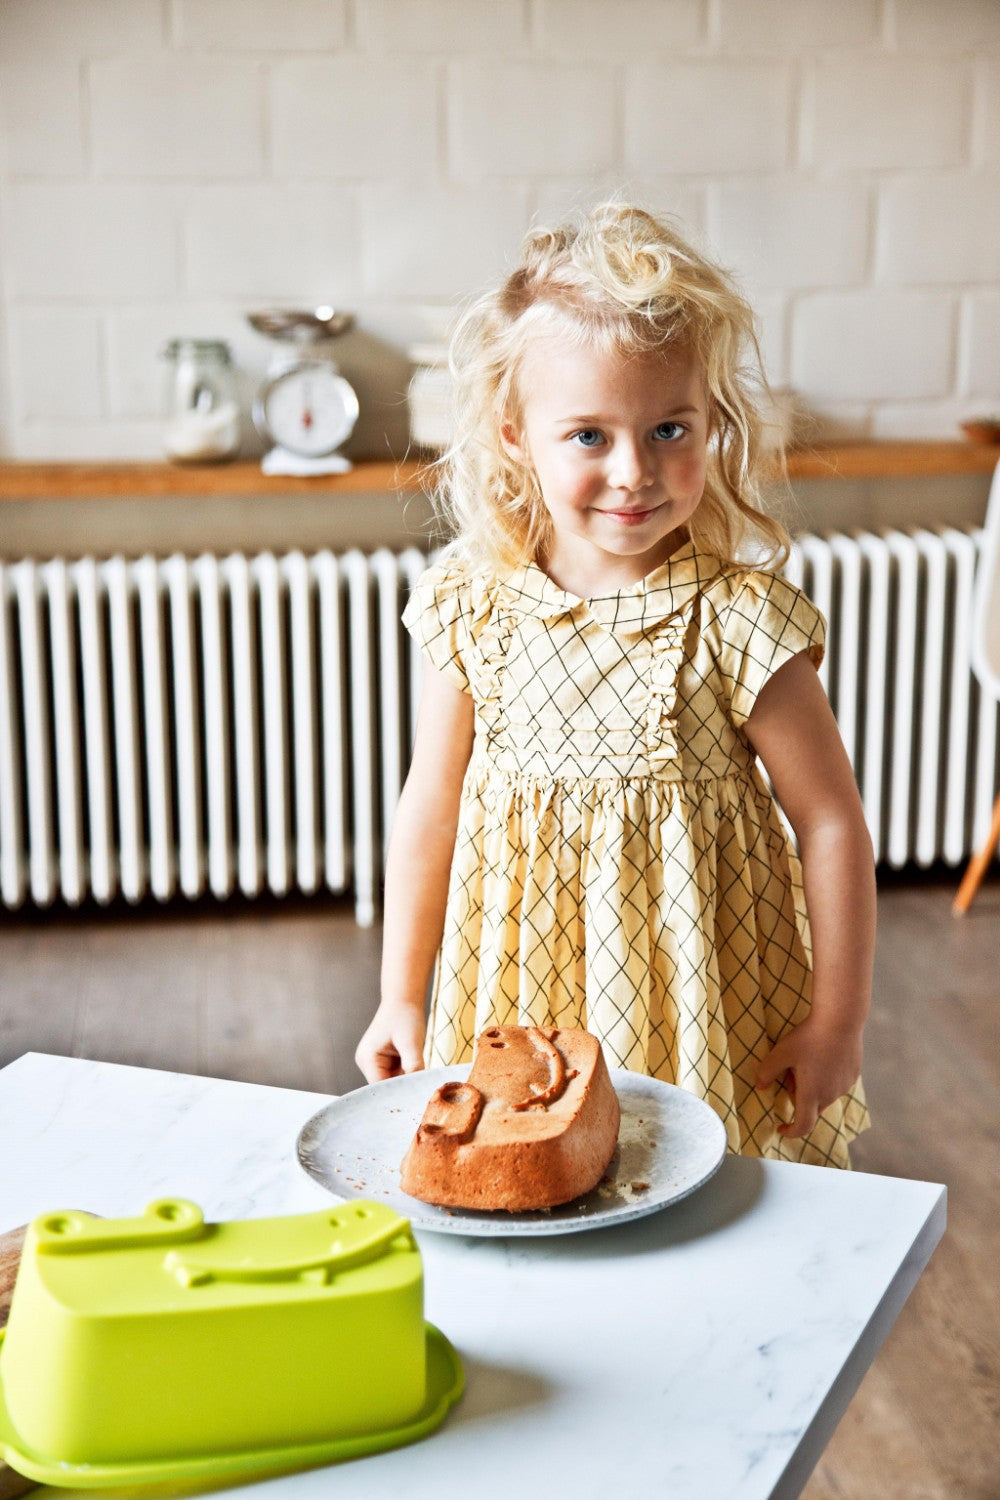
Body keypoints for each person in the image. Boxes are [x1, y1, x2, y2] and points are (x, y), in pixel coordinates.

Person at [356, 202, 872, 1167]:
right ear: (516, 436)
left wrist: (837, 1023)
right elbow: (430, 804)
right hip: (519, 986)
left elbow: (832, 821)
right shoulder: (472, 602)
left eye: (669, 428)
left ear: (712, 423)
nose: (635, 471)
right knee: (532, 1180)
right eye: (588, 435)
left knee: (687, 1194)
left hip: (699, 999)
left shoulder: (737, 617)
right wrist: (399, 991)